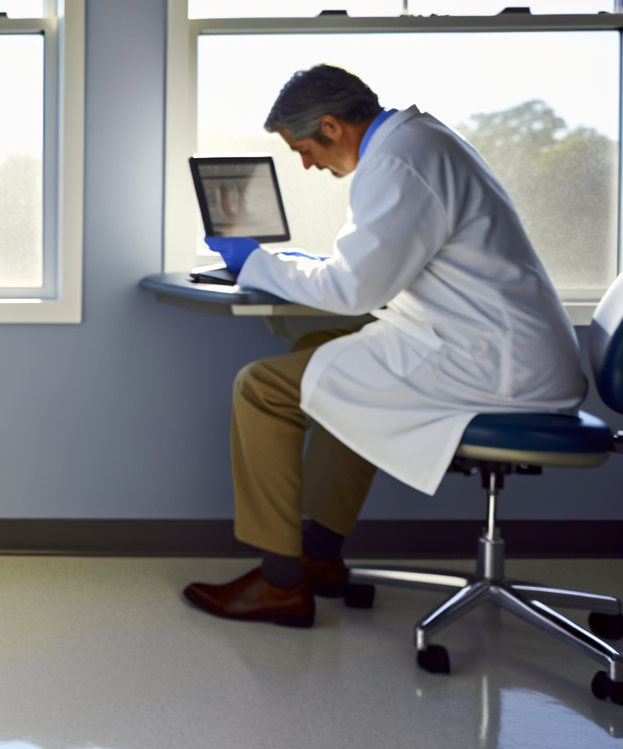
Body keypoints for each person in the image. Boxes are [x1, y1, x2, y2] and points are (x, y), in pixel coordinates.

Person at [184, 64, 586, 628]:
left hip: (495, 366)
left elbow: (354, 290)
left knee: (261, 388)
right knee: (329, 351)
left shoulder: (396, 163)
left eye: (303, 148)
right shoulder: (419, 142)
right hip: (494, 346)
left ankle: (279, 581)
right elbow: (373, 267)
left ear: (331, 126)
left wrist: (253, 262)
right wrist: (292, 264)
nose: (306, 163)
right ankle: (318, 555)